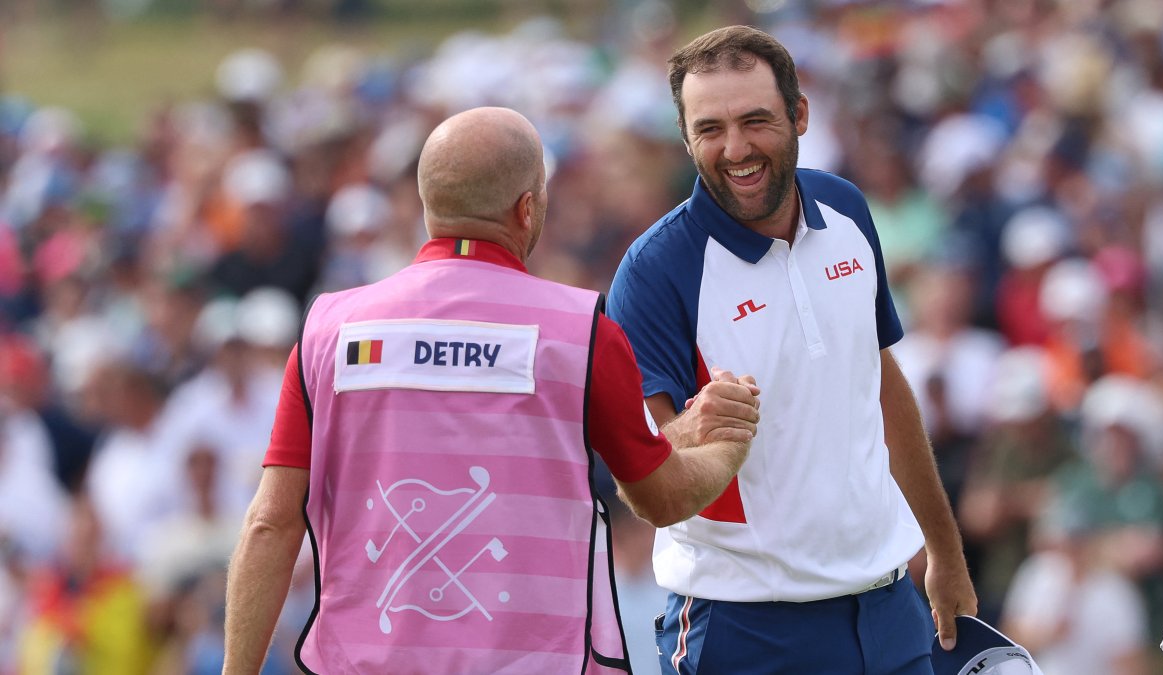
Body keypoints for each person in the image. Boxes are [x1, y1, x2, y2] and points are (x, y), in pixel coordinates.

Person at [222, 106, 762, 675]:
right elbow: (662, 497)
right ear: (527, 208)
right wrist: (727, 440)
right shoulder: (580, 331)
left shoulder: (330, 330)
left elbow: (270, 524)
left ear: (429, 204)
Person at [607, 26, 977, 674]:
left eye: (756, 121)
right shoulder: (654, 269)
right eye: (710, 128)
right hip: (745, 629)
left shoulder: (848, 210)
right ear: (685, 135)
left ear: (800, 114)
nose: (736, 148)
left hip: (890, 612)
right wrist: (688, 431)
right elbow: (651, 480)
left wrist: (945, 551)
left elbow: (882, 384)